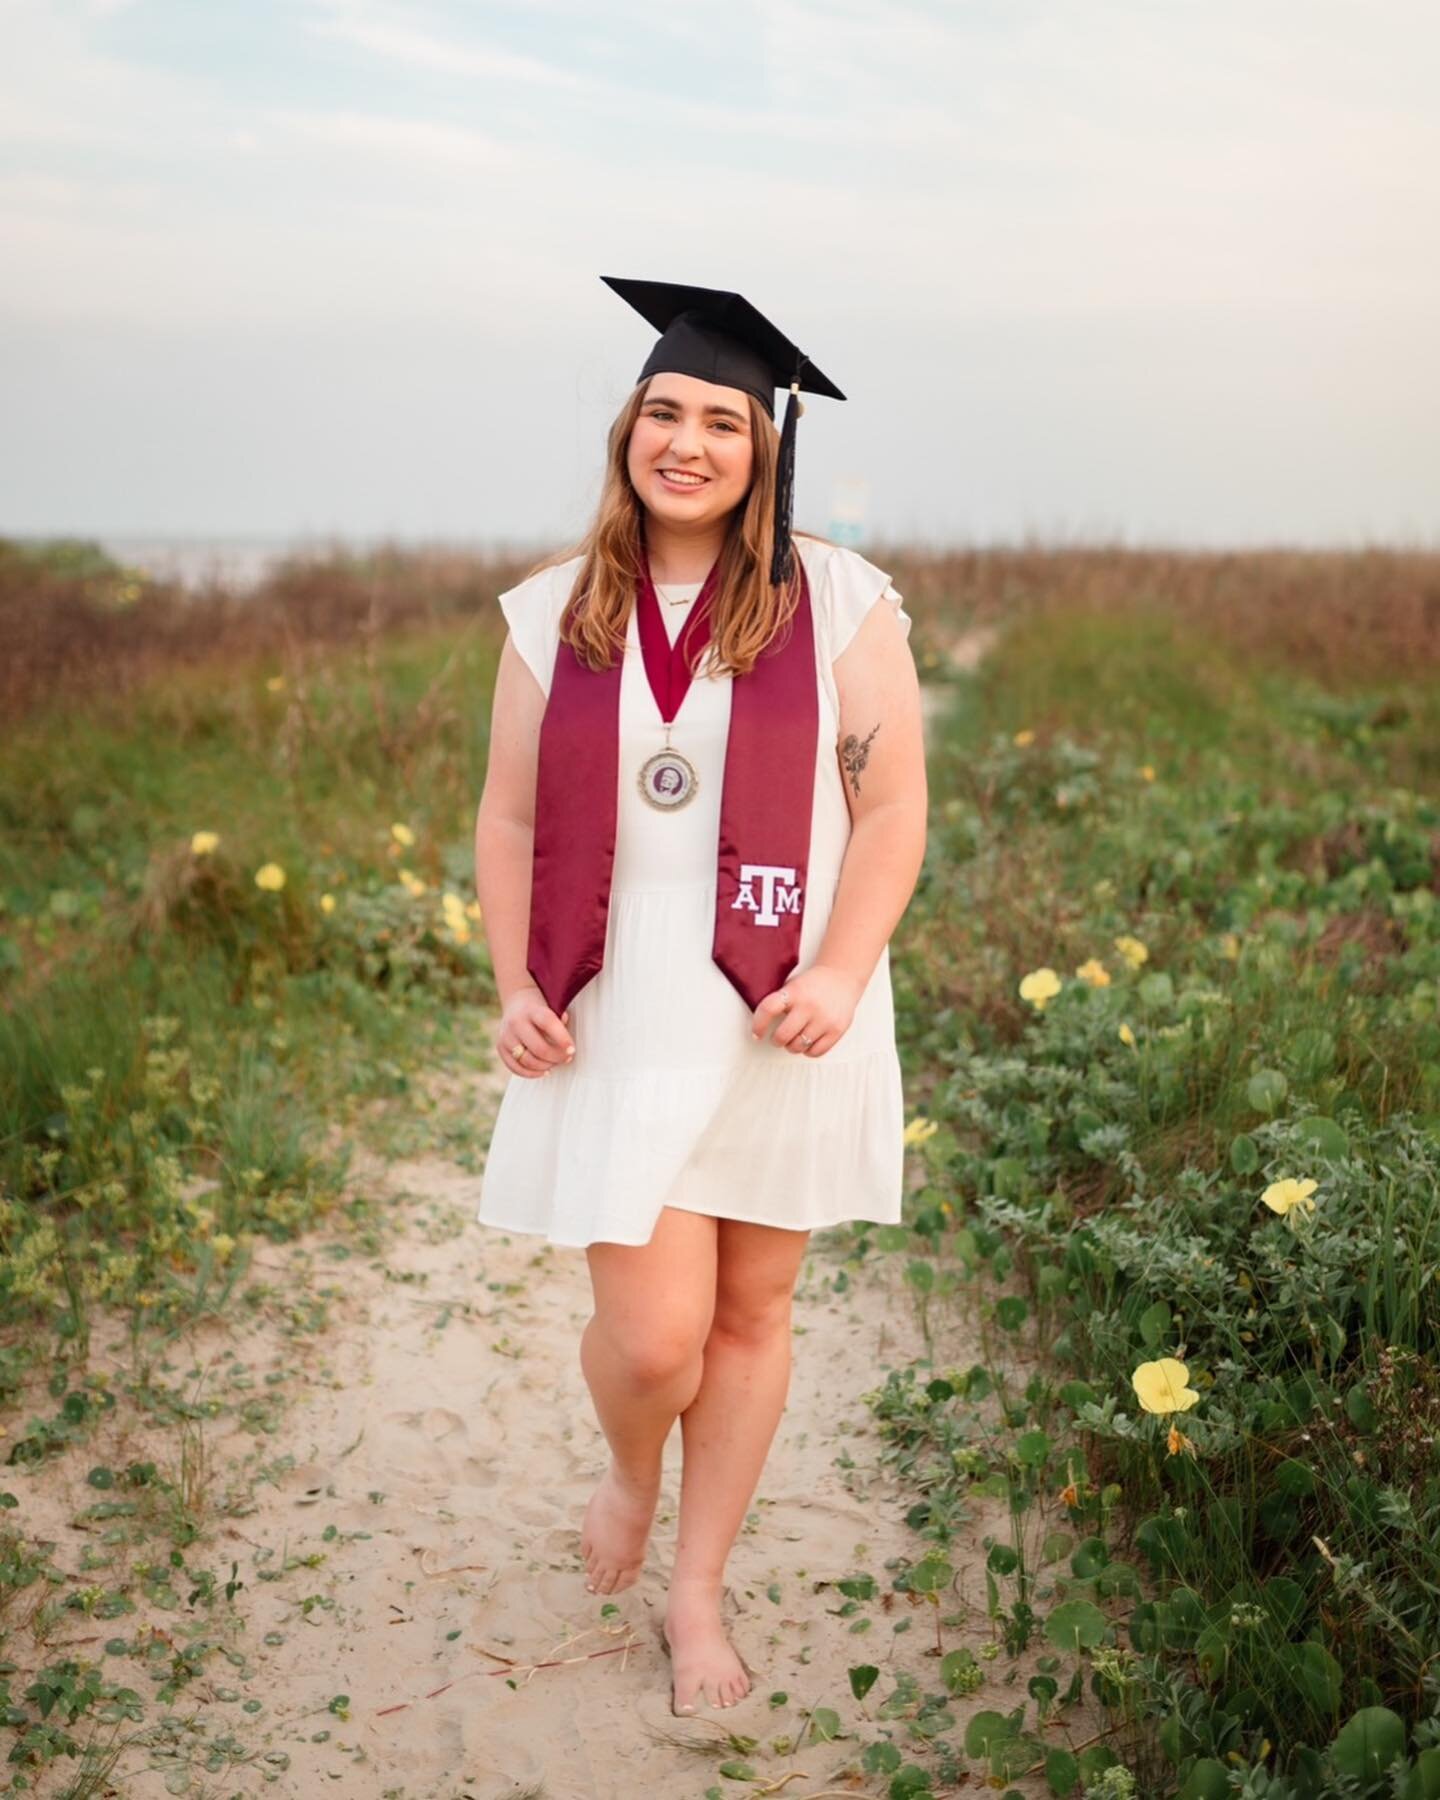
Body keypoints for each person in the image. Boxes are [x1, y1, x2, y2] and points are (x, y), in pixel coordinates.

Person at [473, 278, 926, 1716]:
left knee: (751, 1313)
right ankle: (627, 1465)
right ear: (629, 431)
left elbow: (896, 803)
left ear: (762, 448)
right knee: (658, 1340)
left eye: (720, 420)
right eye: (663, 412)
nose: (687, 442)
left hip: (786, 993)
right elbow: (501, 820)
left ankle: (696, 1590)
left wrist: (847, 967)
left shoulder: (837, 597)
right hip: (626, 998)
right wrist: (512, 982)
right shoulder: (555, 612)